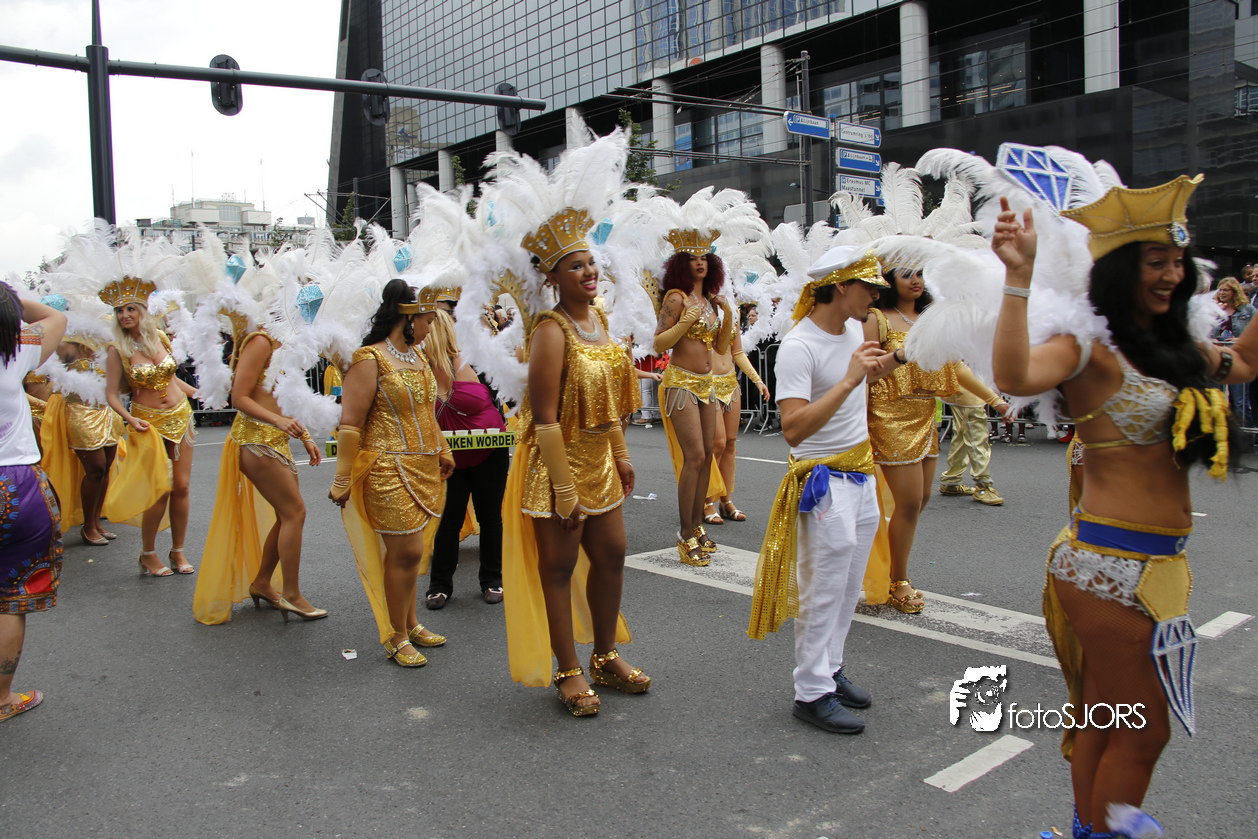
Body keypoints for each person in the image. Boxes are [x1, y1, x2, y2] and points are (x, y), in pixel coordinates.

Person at [992, 174, 1258, 837]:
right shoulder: (1089, 350)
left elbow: (1247, 363)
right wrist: (1018, 277)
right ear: (1120, 271)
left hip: (1161, 564)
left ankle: (1089, 827)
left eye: (1178, 261)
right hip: (1107, 567)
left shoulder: (1174, 352)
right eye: (1155, 261)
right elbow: (1014, 376)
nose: (1172, 274)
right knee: (1143, 731)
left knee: (1103, 717)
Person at [746, 246, 894, 734]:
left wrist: (907, 355)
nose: (876, 296)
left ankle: (830, 669)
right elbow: (793, 429)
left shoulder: (854, 330)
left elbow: (868, 374)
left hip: (862, 476)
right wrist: (849, 380)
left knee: (848, 586)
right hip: (823, 483)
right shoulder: (798, 346)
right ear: (841, 286)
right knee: (823, 589)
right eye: (869, 287)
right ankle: (810, 692)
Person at [330, 279, 453, 666]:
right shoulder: (369, 359)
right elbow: (351, 423)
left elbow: (425, 411)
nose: (431, 328)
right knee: (406, 552)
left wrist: (443, 448)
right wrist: (342, 478)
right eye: (428, 321)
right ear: (408, 318)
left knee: (414, 554)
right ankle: (396, 635)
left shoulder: (417, 357)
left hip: (423, 466)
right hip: (386, 468)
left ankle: (410, 623)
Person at [863, 267, 993, 611]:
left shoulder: (931, 319)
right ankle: (897, 581)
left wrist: (994, 399)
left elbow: (956, 367)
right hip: (889, 416)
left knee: (920, 500)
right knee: (907, 503)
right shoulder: (876, 318)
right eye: (907, 274)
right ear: (890, 280)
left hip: (925, 415)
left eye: (919, 273)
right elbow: (864, 371)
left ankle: (890, 568)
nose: (916, 280)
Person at [194, 325, 326, 625]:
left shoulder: (286, 342)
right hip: (255, 439)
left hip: (276, 439)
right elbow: (239, 397)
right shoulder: (261, 341)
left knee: (287, 515)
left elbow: (286, 395)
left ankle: (263, 582)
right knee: (295, 513)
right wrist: (277, 420)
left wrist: (303, 434)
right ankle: (291, 594)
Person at [0, 286, 66, 723]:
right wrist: (10, 299)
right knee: (9, 599)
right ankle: (2, 697)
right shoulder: (15, 352)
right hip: (16, 484)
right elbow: (57, 317)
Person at [103, 279, 197, 577]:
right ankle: (148, 553)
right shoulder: (117, 349)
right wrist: (130, 419)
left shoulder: (159, 337)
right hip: (148, 423)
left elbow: (171, 378)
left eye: (130, 309)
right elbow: (111, 394)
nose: (125, 315)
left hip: (180, 416)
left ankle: (178, 550)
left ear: (142, 311)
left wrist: (199, 393)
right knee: (159, 489)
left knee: (181, 487)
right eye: (119, 311)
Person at [423, 308, 509, 609]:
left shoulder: (477, 360)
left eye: (427, 324)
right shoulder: (416, 369)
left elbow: (507, 394)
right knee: (449, 519)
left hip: (490, 451)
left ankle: (492, 579)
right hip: (449, 457)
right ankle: (439, 585)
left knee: (490, 517)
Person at [654, 237, 733, 564]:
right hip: (681, 383)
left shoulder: (711, 301)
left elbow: (721, 347)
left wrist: (728, 314)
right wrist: (685, 321)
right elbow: (659, 343)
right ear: (681, 263)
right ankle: (685, 534)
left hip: (707, 384)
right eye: (692, 257)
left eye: (704, 257)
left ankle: (697, 526)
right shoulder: (677, 298)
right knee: (695, 456)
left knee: (706, 457)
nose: (700, 262)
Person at [39, 331, 122, 546]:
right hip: (80, 412)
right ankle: (88, 526)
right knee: (96, 468)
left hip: (107, 411)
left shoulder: (109, 344)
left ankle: (96, 522)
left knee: (106, 468)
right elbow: (46, 370)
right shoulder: (66, 345)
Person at [703, 306, 770, 523]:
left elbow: (737, 351)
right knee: (717, 443)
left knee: (730, 443)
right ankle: (706, 501)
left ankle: (726, 500)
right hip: (707, 383)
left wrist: (757, 379)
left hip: (730, 383)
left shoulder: (731, 309)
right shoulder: (700, 306)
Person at [938, 382, 1011, 504]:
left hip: (962, 387)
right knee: (976, 433)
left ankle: (951, 480)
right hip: (967, 389)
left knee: (963, 432)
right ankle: (983, 485)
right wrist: (996, 401)